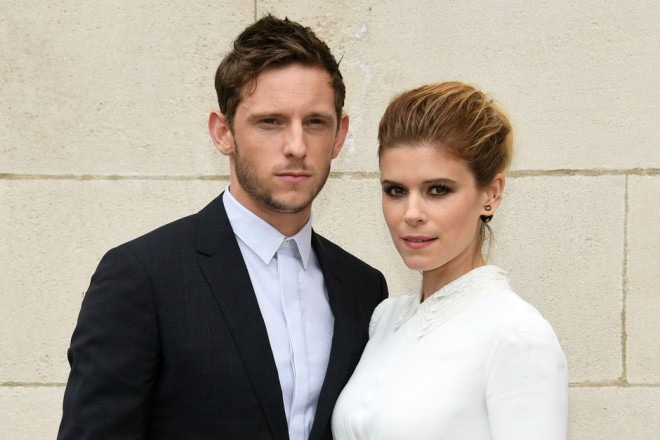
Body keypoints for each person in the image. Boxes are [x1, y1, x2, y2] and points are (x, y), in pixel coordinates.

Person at [58, 15, 388, 440]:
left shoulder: (363, 288)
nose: (296, 146)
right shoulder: (141, 277)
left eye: (315, 122)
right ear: (222, 132)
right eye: (270, 122)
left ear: (340, 135)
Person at [331, 81, 568, 439]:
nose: (411, 213)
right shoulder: (385, 319)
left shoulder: (516, 335)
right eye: (395, 190)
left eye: (438, 190)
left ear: (491, 194)